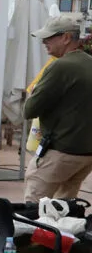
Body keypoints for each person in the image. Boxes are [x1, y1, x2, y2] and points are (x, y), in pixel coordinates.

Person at [23, 14, 92, 202]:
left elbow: (29, 110)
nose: (44, 42)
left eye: (49, 37)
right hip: (86, 153)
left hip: (60, 151)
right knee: (63, 207)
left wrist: (33, 93)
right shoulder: (88, 63)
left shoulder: (60, 67)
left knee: (34, 207)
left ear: (66, 37)